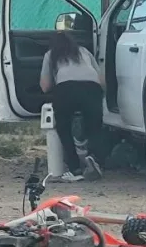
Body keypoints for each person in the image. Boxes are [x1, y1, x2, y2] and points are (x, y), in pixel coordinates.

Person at [40, 32, 105, 183]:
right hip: (92, 88)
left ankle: (75, 168)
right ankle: (93, 157)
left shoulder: (51, 55)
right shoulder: (83, 51)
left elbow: (45, 86)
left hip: (66, 89)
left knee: (63, 127)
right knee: (95, 126)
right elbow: (101, 81)